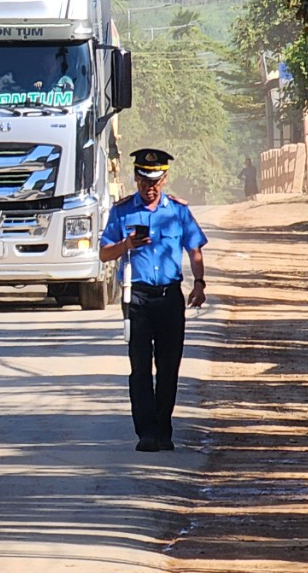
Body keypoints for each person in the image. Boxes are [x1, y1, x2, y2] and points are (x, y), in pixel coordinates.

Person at [100, 148, 209, 453]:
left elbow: (195, 249)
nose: (150, 187)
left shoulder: (177, 211)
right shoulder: (121, 212)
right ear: (135, 177)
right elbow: (104, 252)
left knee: (169, 366)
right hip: (136, 298)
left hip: (170, 298)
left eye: (156, 181)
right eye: (144, 180)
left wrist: (199, 283)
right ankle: (146, 431)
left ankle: (163, 428)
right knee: (139, 367)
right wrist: (126, 244)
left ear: (165, 178)